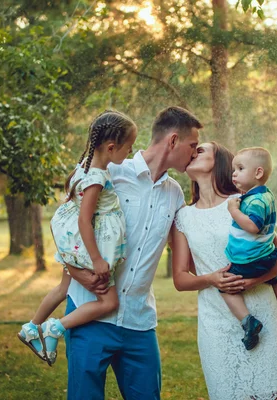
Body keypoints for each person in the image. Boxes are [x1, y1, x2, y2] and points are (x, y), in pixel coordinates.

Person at [63, 106, 223, 400]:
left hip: (139, 325)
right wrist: (77, 274)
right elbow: (65, 229)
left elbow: (186, 260)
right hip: (90, 314)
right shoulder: (108, 171)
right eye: (192, 146)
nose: (194, 152)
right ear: (173, 141)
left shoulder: (175, 194)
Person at [171, 142, 277, 400]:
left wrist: (250, 281)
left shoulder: (242, 204)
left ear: (221, 162)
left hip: (259, 308)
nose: (194, 151)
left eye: (201, 149)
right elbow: (181, 279)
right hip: (214, 321)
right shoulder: (183, 217)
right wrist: (211, 278)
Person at [17, 110, 137, 366]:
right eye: (129, 147)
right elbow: (84, 219)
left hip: (74, 243)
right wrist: (97, 260)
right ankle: (56, 327)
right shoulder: (96, 177)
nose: (131, 152)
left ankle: (31, 327)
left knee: (64, 287)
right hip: (92, 247)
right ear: (112, 146)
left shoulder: (82, 168)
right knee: (109, 302)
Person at [223, 147, 277, 351]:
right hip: (266, 255)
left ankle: (248, 322)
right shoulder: (265, 195)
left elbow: (253, 227)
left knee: (226, 288)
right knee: (275, 279)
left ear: (258, 173)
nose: (234, 173)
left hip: (250, 260)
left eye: (240, 168)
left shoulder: (255, 200)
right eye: (234, 169)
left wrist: (233, 210)